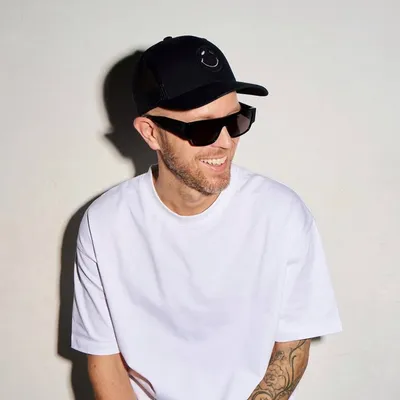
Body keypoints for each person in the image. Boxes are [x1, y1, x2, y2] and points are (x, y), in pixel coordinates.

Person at [71, 35, 342, 400]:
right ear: (150, 132)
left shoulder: (281, 214)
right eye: (202, 128)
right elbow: (105, 361)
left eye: (237, 120)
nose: (226, 142)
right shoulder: (105, 223)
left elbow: (291, 349)